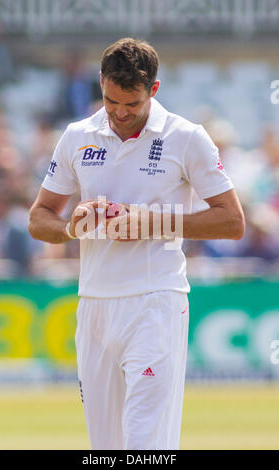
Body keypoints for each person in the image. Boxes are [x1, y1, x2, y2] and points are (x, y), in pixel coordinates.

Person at [28, 38, 245, 450]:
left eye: (132, 104)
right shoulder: (78, 135)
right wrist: (72, 228)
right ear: (101, 84)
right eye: (111, 102)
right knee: (105, 448)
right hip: (93, 304)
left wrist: (152, 222)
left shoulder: (186, 137)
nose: (120, 114)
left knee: (145, 445)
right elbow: (39, 219)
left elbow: (232, 221)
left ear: (154, 91)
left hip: (155, 302)